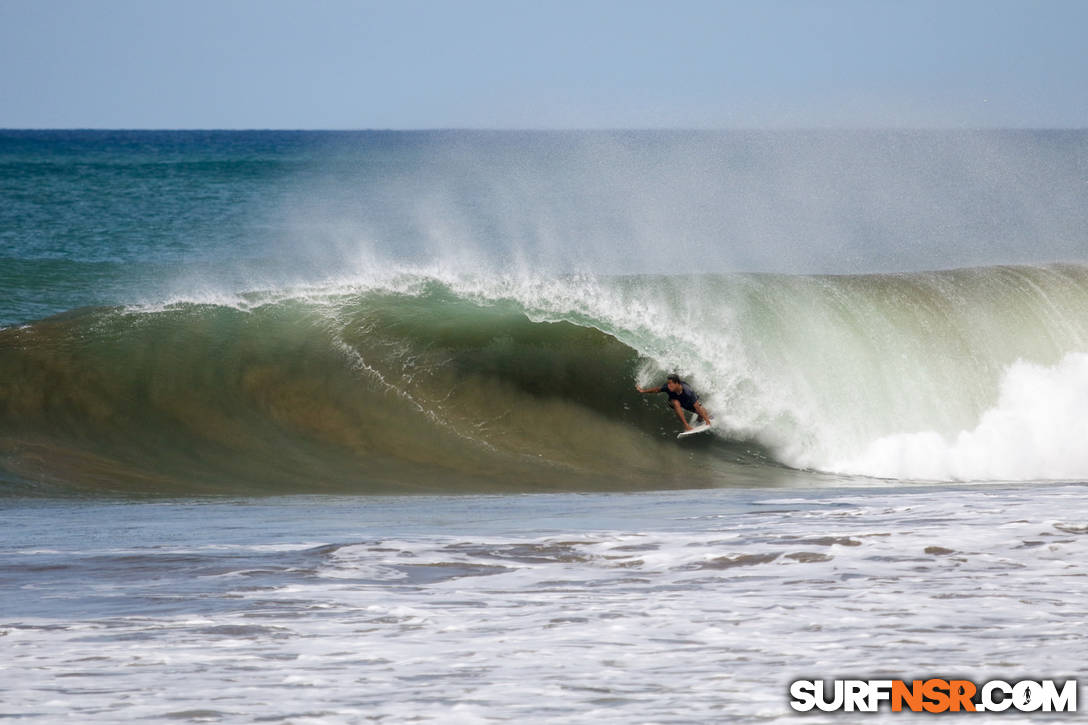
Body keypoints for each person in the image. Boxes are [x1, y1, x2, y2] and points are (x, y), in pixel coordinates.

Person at [636, 374, 712, 431]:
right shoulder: (668, 387)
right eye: (668, 383)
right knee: (676, 402)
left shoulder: (688, 392)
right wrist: (643, 391)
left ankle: (699, 420)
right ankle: (686, 425)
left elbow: (697, 407)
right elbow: (656, 389)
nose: (668, 386)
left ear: (677, 383)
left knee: (703, 412)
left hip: (686, 401)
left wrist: (707, 420)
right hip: (673, 401)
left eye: (670, 383)